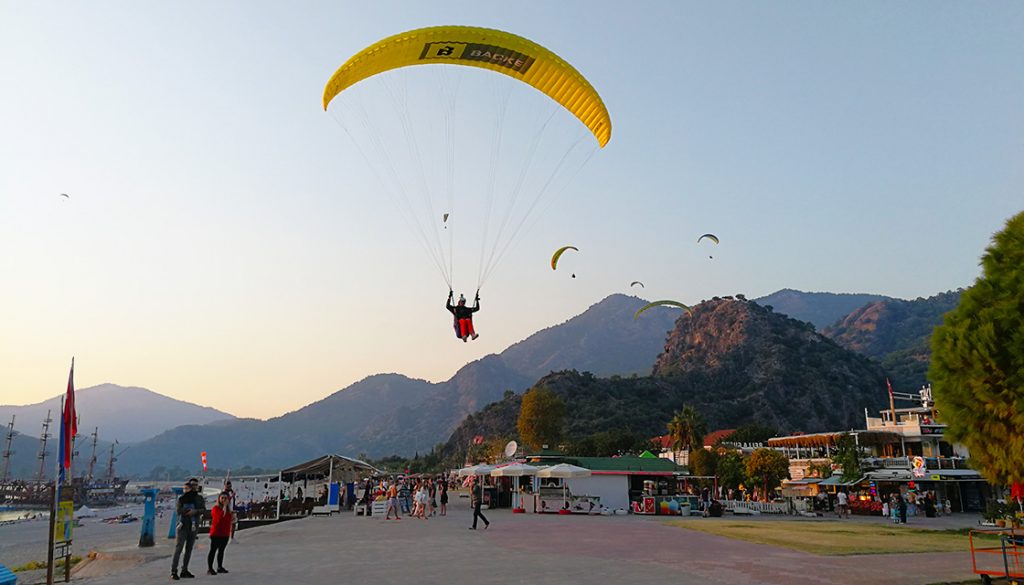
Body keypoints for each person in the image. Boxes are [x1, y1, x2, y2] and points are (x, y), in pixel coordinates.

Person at [171, 478, 205, 580]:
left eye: (196, 485)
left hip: (193, 525)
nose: (194, 486)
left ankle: (184, 570)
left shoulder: (199, 498)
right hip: (182, 526)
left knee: (189, 549)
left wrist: (195, 511)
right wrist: (187, 511)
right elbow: (178, 510)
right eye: (192, 484)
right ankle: (174, 571)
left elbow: (203, 509)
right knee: (179, 548)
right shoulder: (182, 499)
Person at [207, 491, 232, 575]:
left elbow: (229, 519)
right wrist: (224, 506)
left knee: (221, 551)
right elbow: (220, 517)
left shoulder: (228, 509)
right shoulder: (216, 508)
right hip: (216, 533)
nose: (224, 500)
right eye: (222, 498)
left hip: (225, 533)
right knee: (213, 550)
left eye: (225, 498)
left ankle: (219, 566)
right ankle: (210, 568)